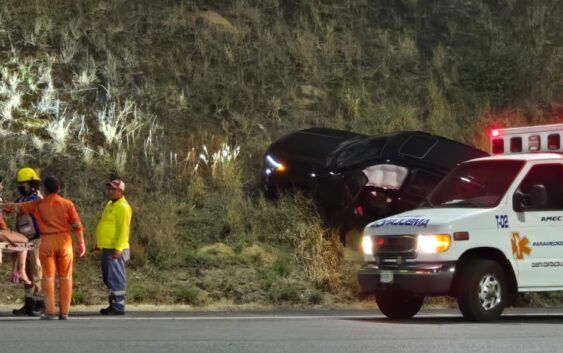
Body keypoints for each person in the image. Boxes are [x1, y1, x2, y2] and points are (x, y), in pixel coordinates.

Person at [6, 176, 86, 320]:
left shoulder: (39, 204)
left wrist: (3, 206)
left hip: (47, 241)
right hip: (64, 240)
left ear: (45, 189)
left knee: (48, 277)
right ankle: (64, 312)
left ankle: (50, 311)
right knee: (66, 276)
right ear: (59, 188)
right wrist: (81, 242)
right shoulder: (67, 204)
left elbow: (18, 207)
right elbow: (77, 225)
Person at [95, 177, 132, 315]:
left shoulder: (123, 207)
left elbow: (124, 229)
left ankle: (119, 306)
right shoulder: (111, 204)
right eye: (109, 189)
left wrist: (119, 248)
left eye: (113, 189)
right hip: (108, 247)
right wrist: (100, 243)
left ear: (121, 192)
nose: (109, 191)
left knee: (116, 277)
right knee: (108, 277)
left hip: (116, 249)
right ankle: (114, 303)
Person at [11, 168, 44, 316]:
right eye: (19, 185)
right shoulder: (21, 199)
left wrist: (11, 207)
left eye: (23, 185)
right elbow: (15, 206)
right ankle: (29, 303)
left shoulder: (38, 199)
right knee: (26, 272)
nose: (21, 188)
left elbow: (23, 208)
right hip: (24, 239)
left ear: (32, 184)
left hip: (37, 238)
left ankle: (40, 302)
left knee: (36, 270)